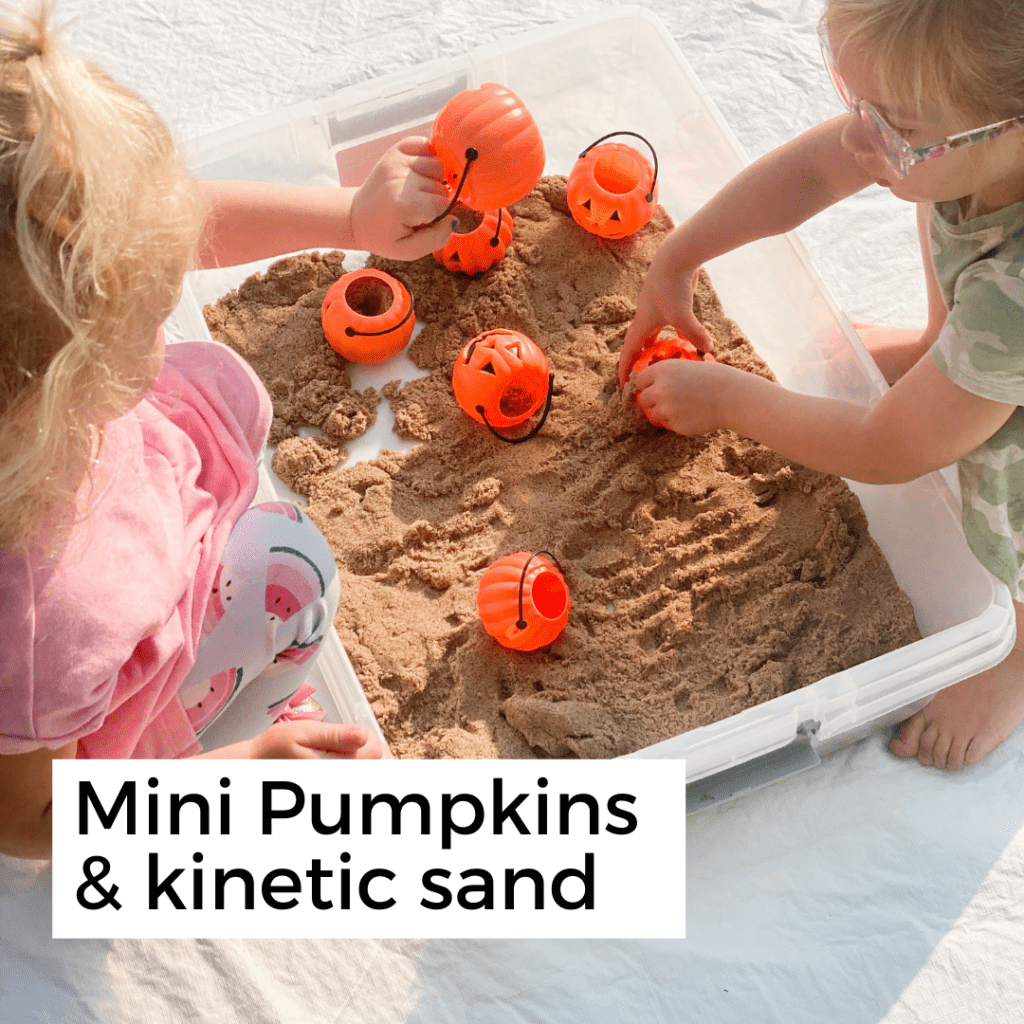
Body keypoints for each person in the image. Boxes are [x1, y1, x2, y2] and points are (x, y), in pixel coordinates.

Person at [0, 2, 454, 860]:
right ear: (50, 392)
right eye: (151, 304)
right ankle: (202, 732)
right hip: (82, 748)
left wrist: (350, 218)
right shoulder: (39, 629)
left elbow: (158, 219)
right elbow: (27, 818)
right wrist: (243, 775)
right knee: (295, 577)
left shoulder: (30, 337)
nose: (172, 303)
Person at [619, 0, 1024, 773]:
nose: (863, 136)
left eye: (897, 126)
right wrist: (677, 259)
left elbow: (885, 448)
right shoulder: (967, 141)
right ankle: (944, 344)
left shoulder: (1016, 300)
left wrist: (727, 398)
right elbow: (813, 169)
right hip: (990, 297)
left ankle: (1018, 656)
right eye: (855, 100)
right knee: (933, 195)